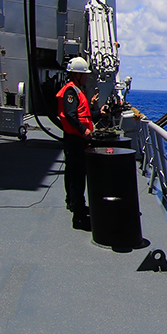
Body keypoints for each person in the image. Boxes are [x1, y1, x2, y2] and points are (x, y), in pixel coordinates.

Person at [57, 57, 94, 230]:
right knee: (77, 175)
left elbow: (82, 114)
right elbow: (71, 115)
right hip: (76, 139)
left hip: (75, 138)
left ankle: (75, 203)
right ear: (77, 75)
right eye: (84, 75)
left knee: (73, 172)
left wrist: (97, 112)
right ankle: (78, 213)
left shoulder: (75, 90)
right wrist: (84, 131)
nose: (86, 78)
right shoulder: (71, 92)